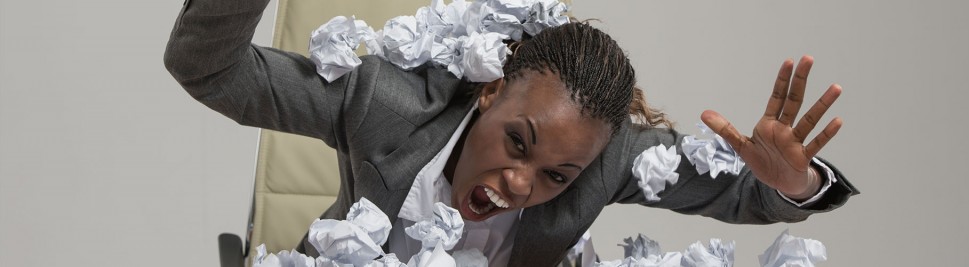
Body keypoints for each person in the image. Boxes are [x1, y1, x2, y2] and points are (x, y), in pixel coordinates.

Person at [164, 0, 858, 266]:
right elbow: (210, 69)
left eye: (557, 176)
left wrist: (791, 180)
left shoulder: (609, 159)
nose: (521, 182)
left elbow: (749, 197)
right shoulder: (386, 106)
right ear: (492, 89)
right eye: (519, 142)